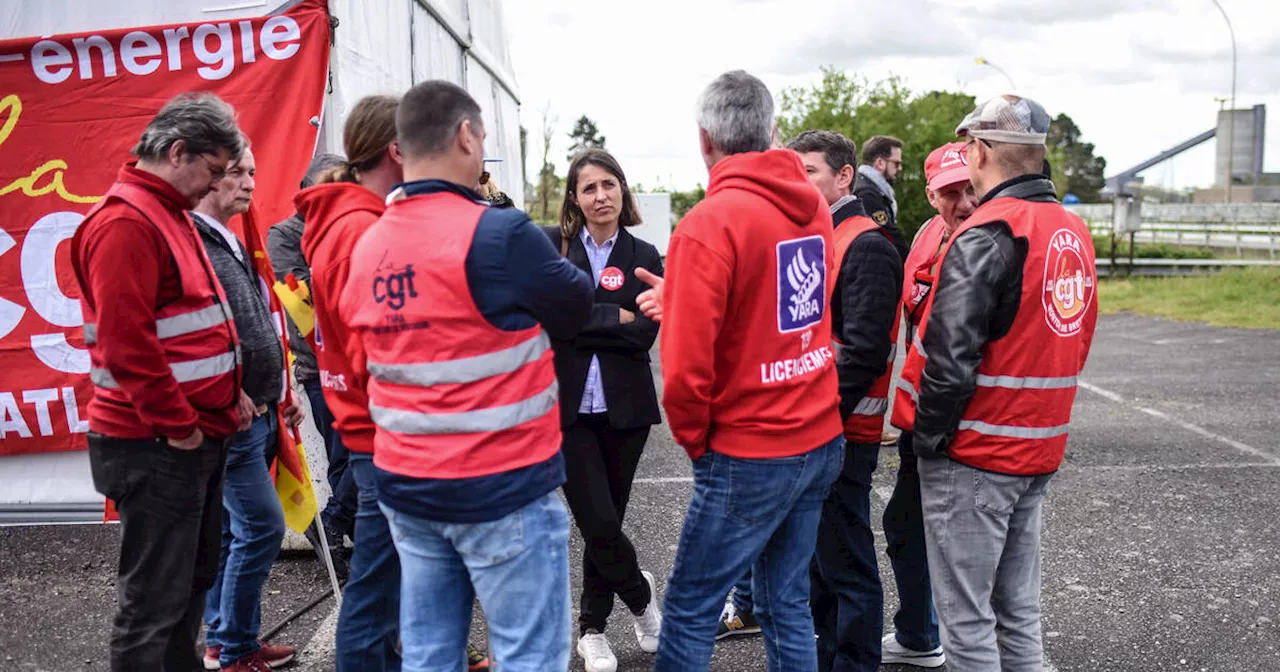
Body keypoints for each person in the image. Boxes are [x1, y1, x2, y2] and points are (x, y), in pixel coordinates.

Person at [337, 80, 594, 671]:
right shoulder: (498, 232)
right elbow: (575, 305)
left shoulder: (370, 241)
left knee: (428, 653)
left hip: (407, 483)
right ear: (465, 136)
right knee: (528, 655)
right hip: (500, 484)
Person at [640, 70, 844, 672]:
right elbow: (785, 312)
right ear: (772, 131)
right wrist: (688, 291)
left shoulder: (709, 223)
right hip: (817, 435)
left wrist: (701, 445)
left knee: (688, 610)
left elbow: (683, 374)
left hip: (750, 450)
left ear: (705, 140)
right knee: (786, 602)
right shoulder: (812, 207)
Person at [296, 95, 492, 672]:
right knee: (376, 594)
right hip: (385, 437)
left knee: (389, 588)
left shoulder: (349, 220)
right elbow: (378, 347)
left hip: (371, 430)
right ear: (397, 150)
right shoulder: (361, 228)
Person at [902, 95, 1099, 671]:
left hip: (975, 451)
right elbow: (1079, 334)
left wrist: (929, 441)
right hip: (1039, 445)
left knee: (966, 624)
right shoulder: (1072, 230)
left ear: (980, 151)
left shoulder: (988, 232)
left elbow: (950, 355)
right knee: (1018, 612)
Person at [71, 92, 247, 672]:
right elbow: (128, 345)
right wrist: (181, 429)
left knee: (186, 589)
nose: (217, 184)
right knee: (153, 603)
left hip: (185, 438)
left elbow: (195, 321)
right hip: (159, 444)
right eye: (215, 170)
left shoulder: (166, 215)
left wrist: (231, 391)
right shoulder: (126, 222)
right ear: (177, 152)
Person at [541, 149, 664, 672]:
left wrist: (585, 320)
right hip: (566, 411)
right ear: (574, 197)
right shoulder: (553, 249)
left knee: (606, 520)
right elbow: (550, 323)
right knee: (595, 519)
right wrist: (614, 315)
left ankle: (592, 628)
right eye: (589, 188)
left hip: (626, 409)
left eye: (608, 185)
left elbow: (645, 333)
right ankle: (640, 597)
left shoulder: (645, 253)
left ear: (623, 190)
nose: (600, 196)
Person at [789, 130, 903, 672]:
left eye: (810, 170)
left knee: (846, 562)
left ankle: (855, 664)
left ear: (844, 177)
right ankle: (828, 657)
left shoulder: (866, 244)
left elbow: (862, 351)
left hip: (840, 429)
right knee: (821, 563)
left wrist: (817, 416)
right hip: (814, 427)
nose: (800, 181)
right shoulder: (818, 237)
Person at [191, 144, 304, 672]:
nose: (249, 183)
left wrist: (280, 393)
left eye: (254, 172)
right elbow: (196, 333)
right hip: (231, 419)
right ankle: (232, 647)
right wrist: (224, 389)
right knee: (260, 526)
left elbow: (257, 324)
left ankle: (230, 638)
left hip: (259, 412)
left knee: (237, 530)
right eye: (237, 172)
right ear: (207, 177)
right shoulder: (193, 242)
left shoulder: (230, 240)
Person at [881, 141, 978, 670]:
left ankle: (948, 643)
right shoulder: (923, 235)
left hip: (967, 420)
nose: (962, 201)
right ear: (929, 194)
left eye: (969, 188)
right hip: (924, 415)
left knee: (962, 542)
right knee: (904, 524)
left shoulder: (990, 236)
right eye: (949, 192)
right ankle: (919, 634)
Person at [266, 152, 356, 580]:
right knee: (349, 456)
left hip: (368, 365)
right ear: (305, 193)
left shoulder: (354, 229)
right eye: (326, 188)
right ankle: (337, 529)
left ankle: (336, 527)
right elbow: (300, 302)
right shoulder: (285, 235)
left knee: (360, 454)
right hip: (321, 368)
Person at [853, 135, 909, 260]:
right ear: (880, 163)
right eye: (896, 163)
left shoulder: (866, 186)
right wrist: (910, 261)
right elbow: (887, 232)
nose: (900, 168)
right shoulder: (866, 193)